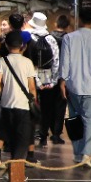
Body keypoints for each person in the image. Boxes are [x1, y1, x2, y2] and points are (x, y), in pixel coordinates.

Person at [59, 8, 91, 164]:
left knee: (74, 119)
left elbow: (64, 63)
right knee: (89, 121)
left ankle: (77, 153)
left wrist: (63, 81)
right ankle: (86, 154)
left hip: (72, 85)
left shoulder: (68, 38)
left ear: (79, 19)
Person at [0, 31, 38, 165]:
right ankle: (15, 167)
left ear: (7, 45)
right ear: (23, 46)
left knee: (7, 132)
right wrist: (33, 101)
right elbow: (32, 87)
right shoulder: (28, 62)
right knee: (22, 137)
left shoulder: (2, 61)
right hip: (23, 105)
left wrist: (3, 95)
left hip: (7, 104)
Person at [29, 11, 65, 146]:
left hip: (31, 77)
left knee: (31, 105)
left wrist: (37, 81)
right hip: (48, 76)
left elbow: (29, 62)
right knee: (47, 108)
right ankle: (43, 136)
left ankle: (31, 136)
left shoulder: (29, 38)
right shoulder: (51, 39)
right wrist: (53, 81)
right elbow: (56, 61)